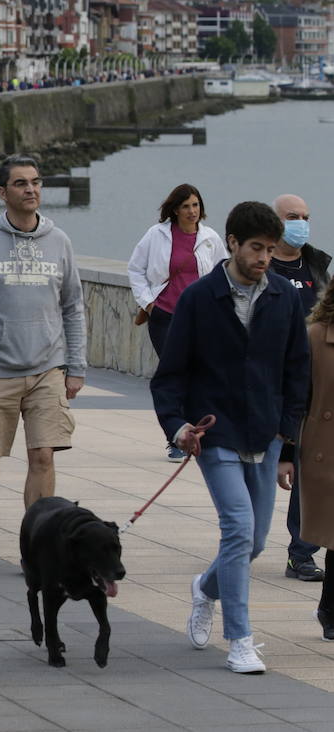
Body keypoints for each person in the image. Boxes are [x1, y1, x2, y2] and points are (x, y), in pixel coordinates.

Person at [153, 201, 310, 674]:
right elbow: (169, 375)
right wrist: (177, 426)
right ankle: (240, 640)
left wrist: (289, 439)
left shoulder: (284, 297)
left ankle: (205, 587)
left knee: (255, 542)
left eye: (270, 248)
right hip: (215, 433)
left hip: (269, 435)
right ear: (233, 243)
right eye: (256, 248)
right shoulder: (199, 299)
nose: (264, 257)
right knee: (238, 529)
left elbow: (297, 371)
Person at [0, 154, 86, 558]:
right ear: (2, 192)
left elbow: (74, 305)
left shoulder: (59, 242)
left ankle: (36, 546)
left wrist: (75, 365)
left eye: (36, 182)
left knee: (43, 455)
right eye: (21, 183)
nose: (31, 190)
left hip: (47, 368)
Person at [271, 194, 331, 581]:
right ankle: (242, 536)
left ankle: (301, 551)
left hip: (307, 378)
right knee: (263, 469)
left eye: (306, 217)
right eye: (294, 217)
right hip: (266, 380)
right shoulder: (262, 265)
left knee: (308, 464)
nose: (302, 223)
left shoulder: (318, 265)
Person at [129, 184, 227, 359]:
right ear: (175, 209)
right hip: (165, 315)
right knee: (172, 368)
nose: (192, 211)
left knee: (198, 370)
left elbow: (224, 274)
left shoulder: (210, 238)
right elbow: (136, 269)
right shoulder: (156, 234)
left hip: (200, 317)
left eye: (195, 205)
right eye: (186, 206)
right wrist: (149, 304)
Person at [300, 280, 334, 641]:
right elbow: (297, 396)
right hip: (326, 450)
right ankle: (329, 609)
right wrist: (285, 452)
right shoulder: (315, 337)